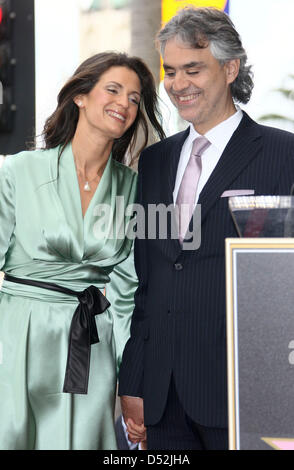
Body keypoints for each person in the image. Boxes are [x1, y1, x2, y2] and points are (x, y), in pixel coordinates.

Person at [118, 7, 294, 450]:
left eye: (192, 69)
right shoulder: (155, 162)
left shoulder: (283, 154)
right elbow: (150, 279)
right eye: (171, 71)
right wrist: (134, 379)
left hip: (245, 391)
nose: (179, 85)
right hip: (162, 399)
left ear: (230, 67)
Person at [0, 51, 165, 450]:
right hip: (17, 334)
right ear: (80, 96)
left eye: (134, 98)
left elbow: (127, 297)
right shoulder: (17, 171)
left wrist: (131, 382)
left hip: (91, 345)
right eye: (113, 89)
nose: (124, 103)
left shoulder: (133, 189)